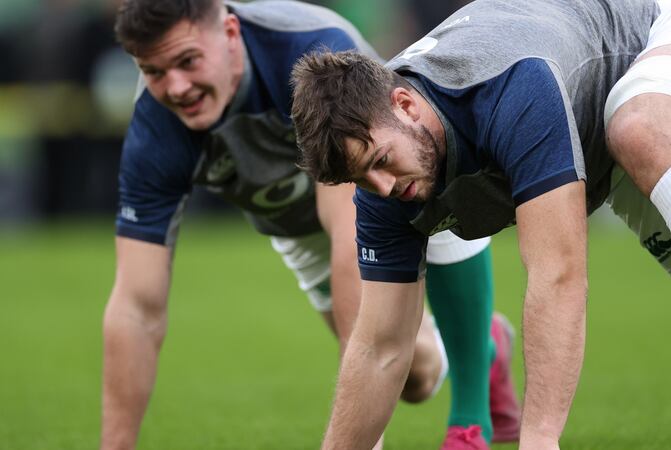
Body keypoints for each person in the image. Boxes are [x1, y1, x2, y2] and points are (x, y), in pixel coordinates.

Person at [290, 0, 671, 448]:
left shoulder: (508, 85)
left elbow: (556, 273)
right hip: (603, 144)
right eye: (363, 178)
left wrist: (538, 439)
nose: (381, 186)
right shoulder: (384, 179)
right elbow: (380, 346)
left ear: (405, 105)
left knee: (640, 127)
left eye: (380, 161)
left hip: (667, 34)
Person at [101, 1, 521, 449]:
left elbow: (349, 234)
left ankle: (470, 419)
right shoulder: (154, 128)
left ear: (228, 31)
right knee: (412, 379)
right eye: (154, 71)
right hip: (294, 226)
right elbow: (136, 305)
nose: (176, 87)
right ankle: (484, 345)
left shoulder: (307, 52)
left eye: (187, 61)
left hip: (384, 186)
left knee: (438, 205)